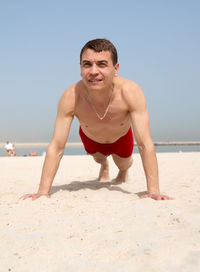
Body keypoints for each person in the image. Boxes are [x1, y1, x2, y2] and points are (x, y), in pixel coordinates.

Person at [22, 38, 172, 201]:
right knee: (98, 158)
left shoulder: (131, 92)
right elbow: (57, 145)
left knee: (123, 164)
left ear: (116, 69)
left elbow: (144, 143)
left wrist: (154, 190)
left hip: (121, 137)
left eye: (101, 64)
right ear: (80, 68)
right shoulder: (71, 96)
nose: (93, 71)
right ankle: (104, 166)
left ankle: (122, 172)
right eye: (87, 64)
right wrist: (43, 192)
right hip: (91, 138)